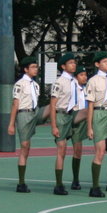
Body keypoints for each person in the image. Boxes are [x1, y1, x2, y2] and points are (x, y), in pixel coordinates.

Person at [84, 52, 107, 197]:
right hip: (99, 113)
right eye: (104, 61)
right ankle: (95, 187)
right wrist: (89, 127)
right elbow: (90, 106)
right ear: (97, 64)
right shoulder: (93, 81)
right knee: (100, 152)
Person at [48, 52, 80, 195]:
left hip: (72, 115)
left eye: (74, 62)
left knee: (74, 147)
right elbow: (53, 104)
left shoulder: (75, 81)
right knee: (62, 150)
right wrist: (54, 125)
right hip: (61, 115)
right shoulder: (59, 82)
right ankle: (59, 184)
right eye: (70, 63)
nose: (74, 65)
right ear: (63, 66)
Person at [7, 57, 41, 193]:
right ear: (26, 69)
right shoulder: (19, 84)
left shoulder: (36, 85)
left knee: (50, 109)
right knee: (25, 146)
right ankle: (21, 183)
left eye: (36, 67)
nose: (35, 69)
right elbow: (15, 104)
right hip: (24, 114)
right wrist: (11, 124)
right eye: (33, 67)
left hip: (35, 112)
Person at [69, 66, 90, 190]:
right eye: (81, 75)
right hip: (75, 118)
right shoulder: (72, 88)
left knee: (79, 151)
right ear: (76, 77)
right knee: (77, 150)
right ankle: (75, 179)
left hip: (85, 120)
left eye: (85, 74)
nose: (85, 77)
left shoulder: (87, 89)